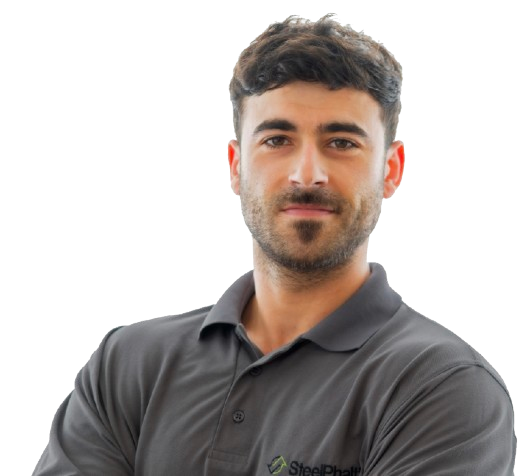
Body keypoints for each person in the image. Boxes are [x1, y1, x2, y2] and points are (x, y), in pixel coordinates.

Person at [33, 14, 516, 475]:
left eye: (342, 142)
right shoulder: (127, 364)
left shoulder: (444, 386)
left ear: (391, 169)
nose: (307, 174)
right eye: (277, 139)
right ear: (235, 166)